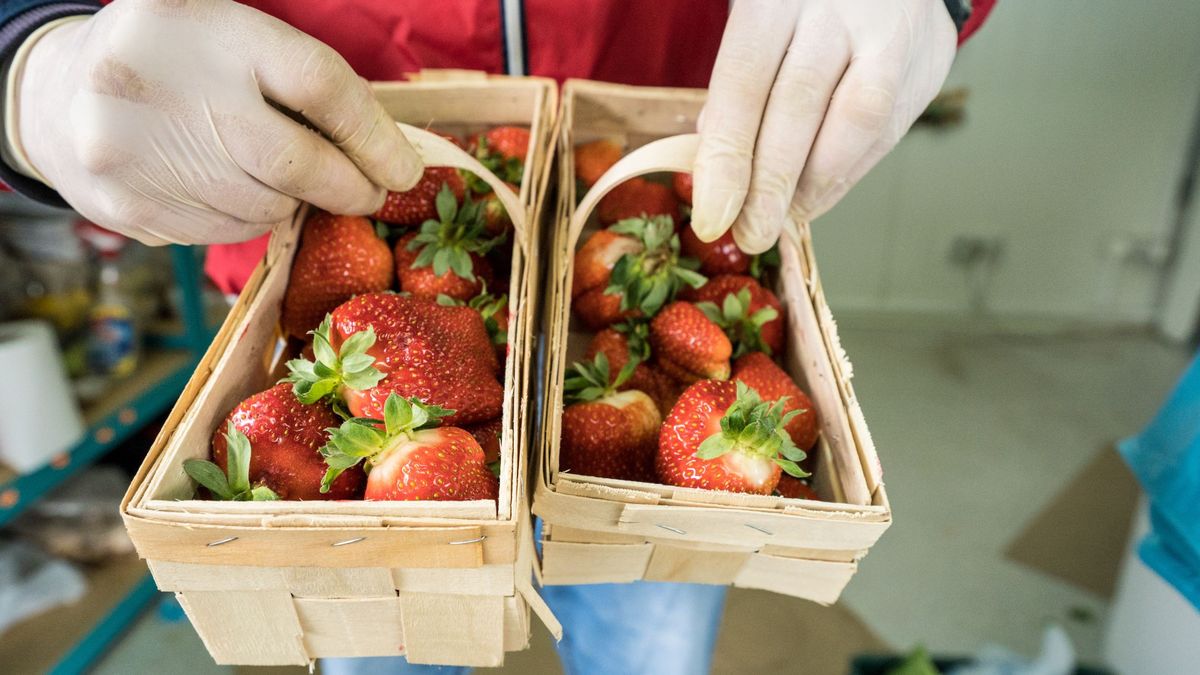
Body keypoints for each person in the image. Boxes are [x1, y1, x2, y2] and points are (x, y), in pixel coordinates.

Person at [0, 1, 994, 673]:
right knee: (380, 644)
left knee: (649, 633)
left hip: (685, 175)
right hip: (301, 200)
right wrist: (30, 64)